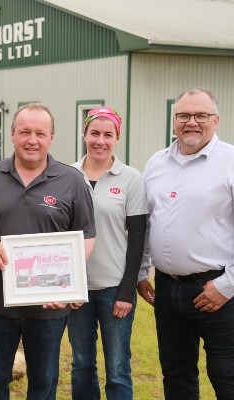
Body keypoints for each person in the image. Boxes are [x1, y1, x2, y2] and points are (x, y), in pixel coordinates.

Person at [137, 88, 234, 399]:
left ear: (216, 120)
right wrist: (141, 271)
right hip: (167, 290)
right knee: (176, 376)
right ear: (174, 121)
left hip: (214, 290)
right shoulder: (157, 163)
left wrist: (228, 286)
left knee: (228, 375)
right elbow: (148, 223)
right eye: (184, 115)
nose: (192, 122)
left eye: (201, 115)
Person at [0, 103, 96, 400]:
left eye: (40, 133)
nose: (32, 139)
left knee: (43, 384)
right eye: (25, 132)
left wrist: (67, 282)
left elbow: (87, 238)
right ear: (12, 135)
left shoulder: (71, 181)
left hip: (48, 304)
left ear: (51, 138)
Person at [68, 107, 147, 399]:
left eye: (108, 135)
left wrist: (127, 291)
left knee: (117, 367)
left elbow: (138, 239)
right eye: (94, 133)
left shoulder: (131, 178)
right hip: (78, 292)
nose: (100, 141)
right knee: (81, 364)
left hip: (115, 289)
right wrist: (69, 287)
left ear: (117, 138)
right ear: (84, 135)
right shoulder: (68, 175)